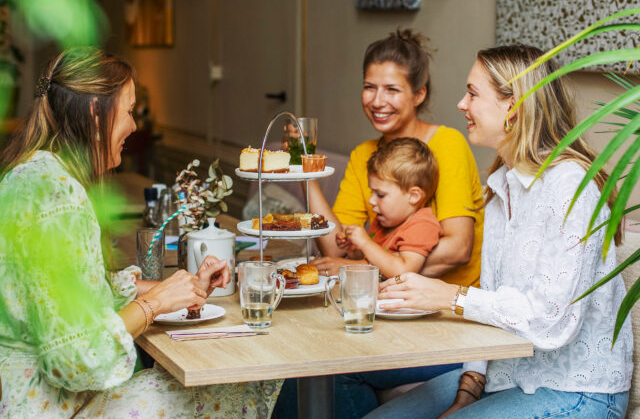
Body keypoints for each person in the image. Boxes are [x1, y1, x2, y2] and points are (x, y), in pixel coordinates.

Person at [0, 48, 280, 418]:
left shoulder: (30, 175)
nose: (134, 126)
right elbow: (75, 358)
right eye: (129, 111)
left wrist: (175, 288)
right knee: (232, 379)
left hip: (20, 397)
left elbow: (61, 296)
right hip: (49, 407)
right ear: (94, 115)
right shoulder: (60, 196)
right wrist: (156, 304)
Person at [366, 44, 633, 419]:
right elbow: (490, 306)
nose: (461, 104)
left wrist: (451, 296)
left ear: (515, 106)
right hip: (506, 377)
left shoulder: (571, 187)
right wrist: (467, 390)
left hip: (578, 391)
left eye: (473, 93)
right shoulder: (501, 189)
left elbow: (551, 321)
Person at [274, 29, 484, 419]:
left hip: (446, 319)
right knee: (304, 360)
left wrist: (361, 269)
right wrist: (307, 173)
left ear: (419, 94)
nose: (377, 100)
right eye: (369, 87)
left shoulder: (447, 145)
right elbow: (335, 248)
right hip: (388, 314)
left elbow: (458, 247)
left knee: (333, 369)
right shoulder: (364, 156)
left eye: (392, 89)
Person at [336, 137, 442, 278]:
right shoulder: (384, 220)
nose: (371, 200)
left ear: (414, 196)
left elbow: (403, 272)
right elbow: (375, 260)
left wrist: (365, 242)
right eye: (372, 192)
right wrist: (354, 248)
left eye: (380, 195)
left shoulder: (422, 225)